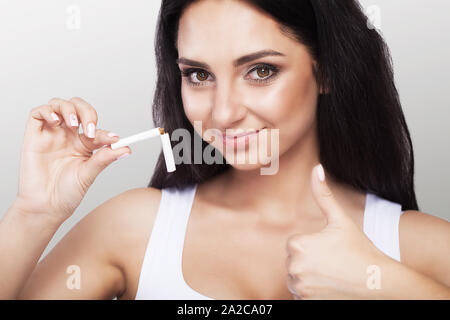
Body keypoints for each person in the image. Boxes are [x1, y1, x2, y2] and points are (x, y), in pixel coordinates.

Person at [1, 0, 449, 300]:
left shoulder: (418, 247)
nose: (223, 112)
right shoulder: (133, 227)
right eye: (198, 75)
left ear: (327, 70)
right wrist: (33, 213)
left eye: (260, 71)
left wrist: (386, 286)